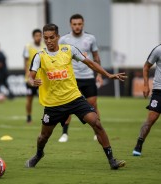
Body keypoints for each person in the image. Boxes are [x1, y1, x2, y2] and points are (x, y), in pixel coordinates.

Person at [25, 23, 126, 170]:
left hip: (74, 98)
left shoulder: (68, 50)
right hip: (53, 104)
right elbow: (30, 76)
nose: (48, 41)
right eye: (46, 38)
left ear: (58, 37)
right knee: (43, 137)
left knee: (96, 123)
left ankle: (112, 160)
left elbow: (90, 63)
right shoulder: (40, 56)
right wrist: (32, 81)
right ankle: (39, 154)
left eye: (51, 37)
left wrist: (108, 74)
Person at [58, 14, 103, 142]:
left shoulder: (90, 38)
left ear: (83, 24)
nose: (77, 26)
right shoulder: (64, 40)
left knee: (93, 105)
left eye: (79, 24)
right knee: (67, 106)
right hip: (71, 79)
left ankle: (97, 131)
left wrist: (99, 74)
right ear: (70, 25)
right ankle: (64, 133)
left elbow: (96, 57)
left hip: (88, 77)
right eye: (74, 24)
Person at [132, 44, 161, 156]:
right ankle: (139, 143)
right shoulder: (158, 50)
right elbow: (146, 67)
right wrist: (145, 85)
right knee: (151, 119)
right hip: (159, 91)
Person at [23, 29, 45, 123]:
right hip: (31, 78)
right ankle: (28, 117)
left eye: (40, 35)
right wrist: (27, 75)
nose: (38, 37)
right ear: (33, 37)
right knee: (29, 99)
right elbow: (26, 62)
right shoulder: (28, 47)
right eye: (36, 35)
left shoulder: (45, 47)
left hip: (42, 78)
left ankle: (47, 117)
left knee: (46, 99)